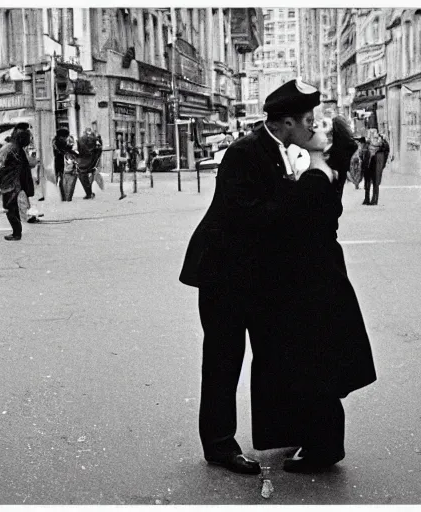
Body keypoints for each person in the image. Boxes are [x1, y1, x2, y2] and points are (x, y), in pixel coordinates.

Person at [178, 79, 320, 475]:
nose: (312, 126)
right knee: (224, 360)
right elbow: (251, 214)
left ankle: (279, 430)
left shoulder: (279, 150)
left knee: (274, 351)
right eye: (307, 120)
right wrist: (303, 195)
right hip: (224, 275)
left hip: (255, 275)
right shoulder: (244, 152)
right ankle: (219, 446)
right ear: (287, 121)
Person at [251, 116, 377, 473]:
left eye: (319, 127)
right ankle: (319, 441)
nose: (312, 128)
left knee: (316, 360)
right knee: (319, 358)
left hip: (315, 279)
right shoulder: (322, 171)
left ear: (329, 144)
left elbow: (292, 227)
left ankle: (324, 448)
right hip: (324, 275)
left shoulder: (317, 178)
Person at [0, 125, 34, 241]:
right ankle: (17, 232)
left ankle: (16, 233)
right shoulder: (18, 149)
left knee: (10, 208)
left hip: (10, 184)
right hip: (17, 183)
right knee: (13, 208)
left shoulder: (9, 148)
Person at [76, 128, 103, 200]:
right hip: (92, 161)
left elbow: (79, 150)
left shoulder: (79, 139)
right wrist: (96, 157)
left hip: (83, 162)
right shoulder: (95, 138)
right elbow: (99, 148)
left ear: (84, 132)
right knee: (90, 175)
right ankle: (89, 193)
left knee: (82, 175)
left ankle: (89, 193)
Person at [365, 134, 390, 205]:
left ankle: (374, 200)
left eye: (376, 138)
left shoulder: (382, 147)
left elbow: (386, 150)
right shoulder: (370, 146)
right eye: (374, 138)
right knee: (372, 182)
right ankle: (370, 199)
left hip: (376, 166)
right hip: (371, 166)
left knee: (376, 183)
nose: (375, 140)